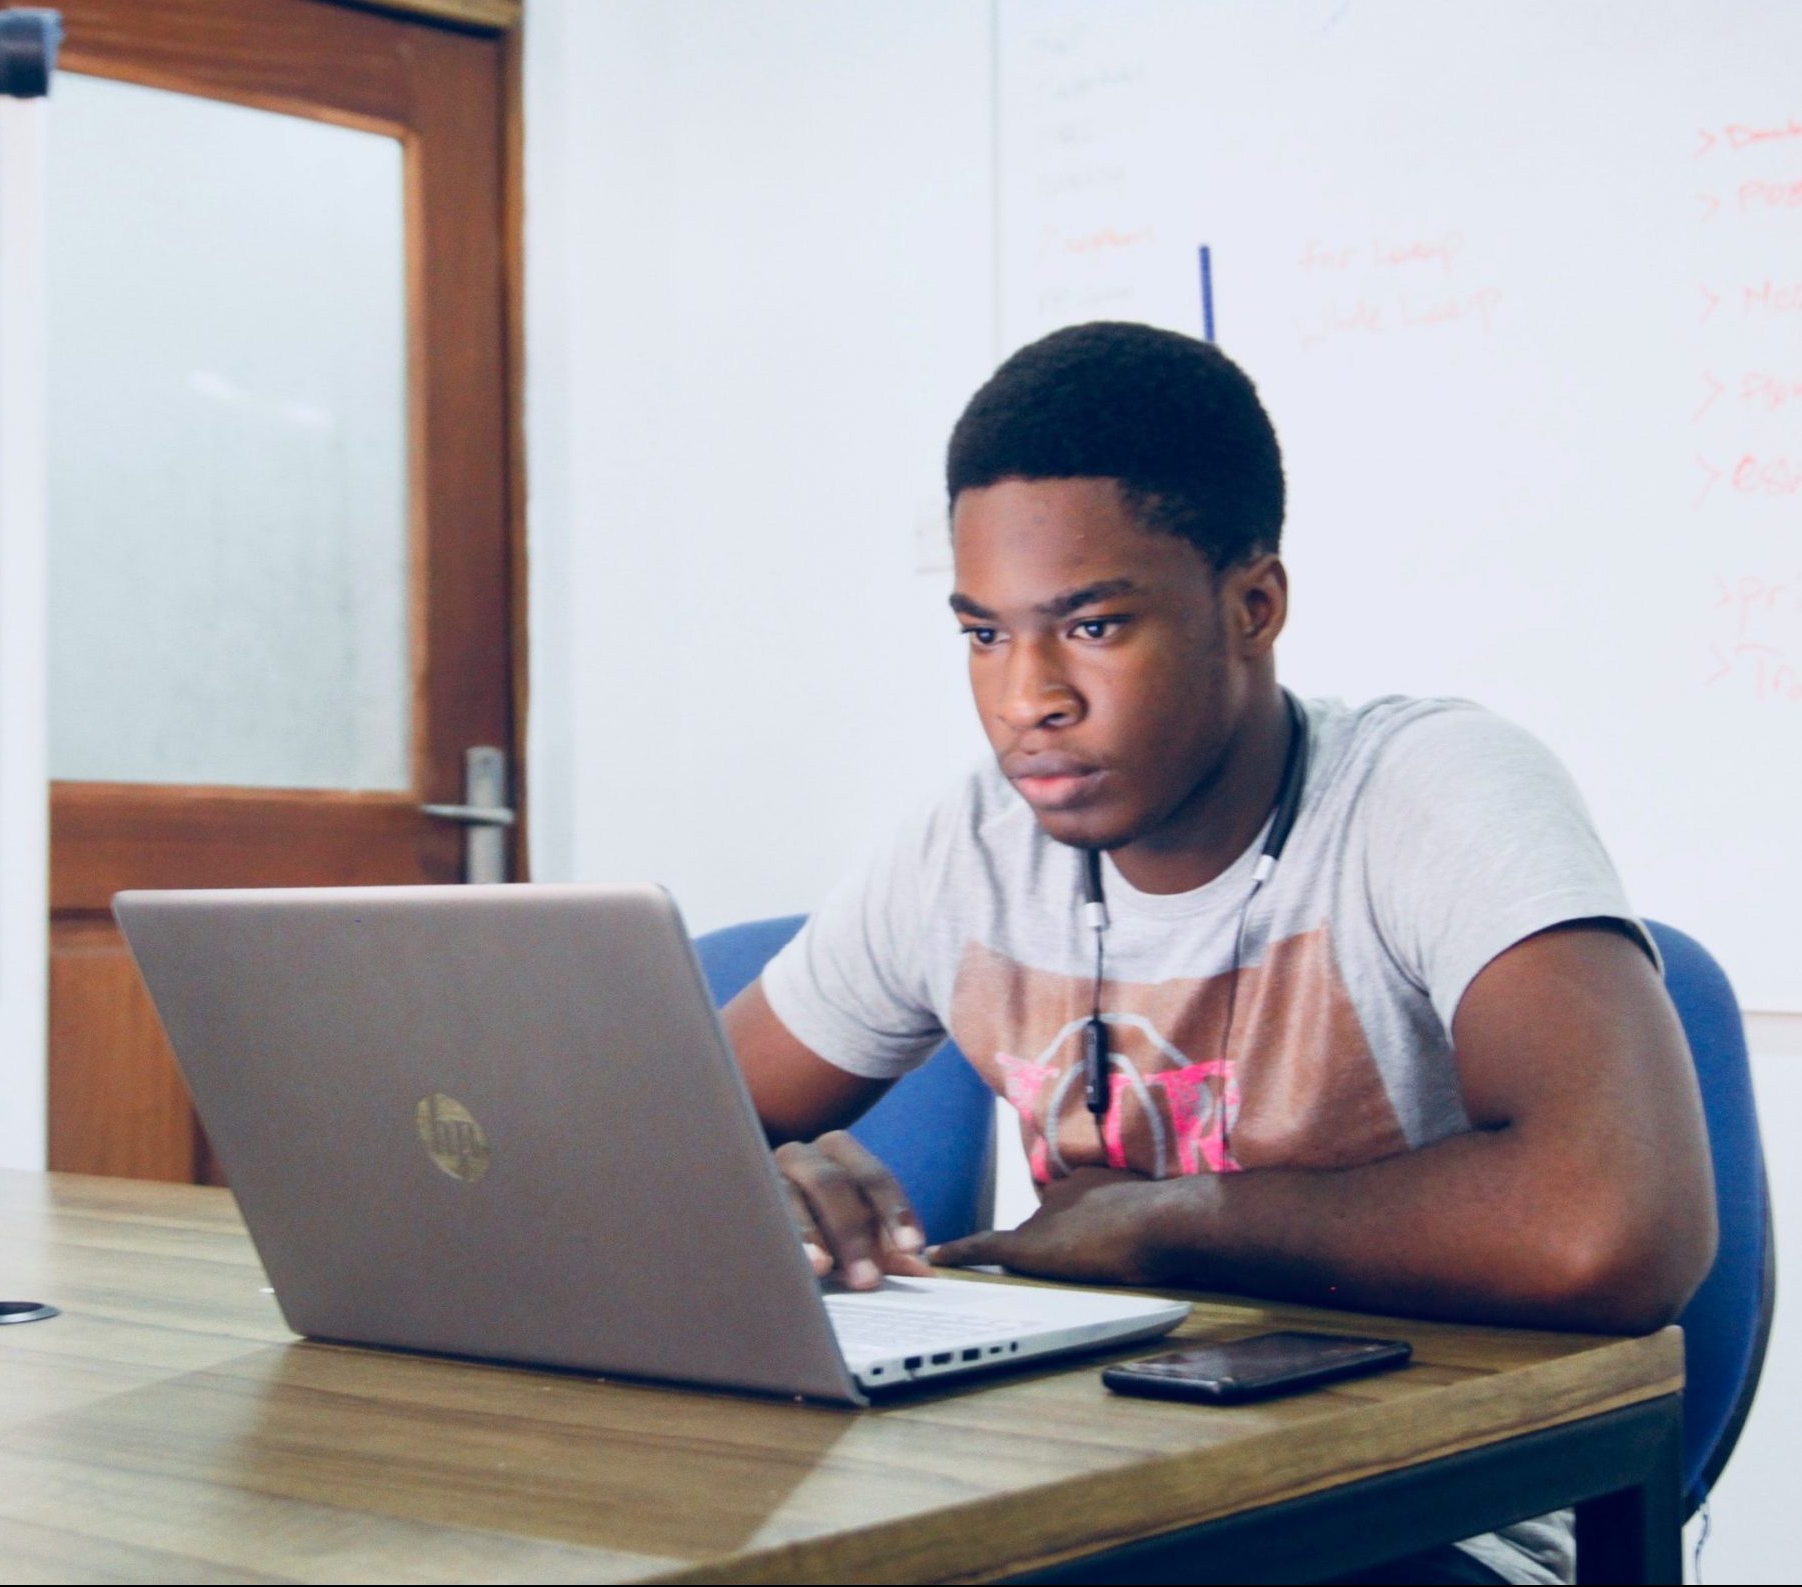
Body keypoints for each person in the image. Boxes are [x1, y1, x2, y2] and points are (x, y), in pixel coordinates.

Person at [722, 321, 1716, 1585]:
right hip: (1086, 1484)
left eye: (1089, 627)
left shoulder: (1431, 791)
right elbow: (659, 1132)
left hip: (1424, 1509)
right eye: (983, 635)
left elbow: (1611, 1227)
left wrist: (1167, 1221)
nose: (1027, 697)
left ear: (1252, 606)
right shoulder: (967, 844)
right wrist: (756, 1193)